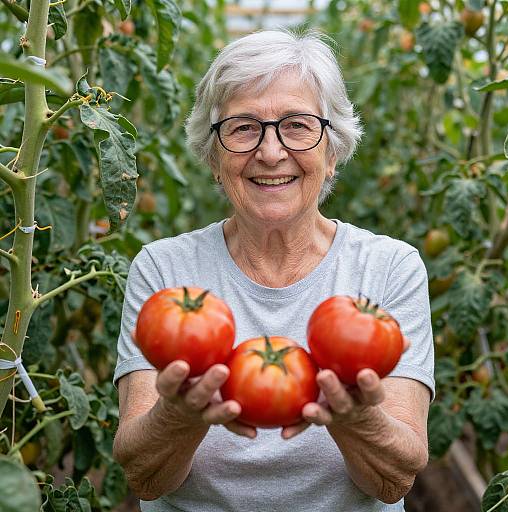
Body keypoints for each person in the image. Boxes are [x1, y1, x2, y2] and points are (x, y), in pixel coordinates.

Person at [112, 29, 435, 512]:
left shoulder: (390, 267)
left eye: (298, 126)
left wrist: (354, 419)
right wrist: (178, 417)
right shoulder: (164, 269)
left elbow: (395, 481)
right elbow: (145, 477)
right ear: (214, 158)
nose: (270, 152)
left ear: (332, 151)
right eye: (242, 128)